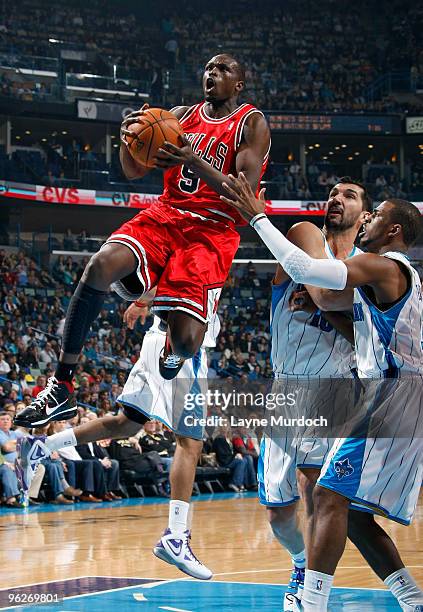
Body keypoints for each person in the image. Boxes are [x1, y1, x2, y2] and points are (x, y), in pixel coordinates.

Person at [14, 52, 271, 429]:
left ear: (239, 84)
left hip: (211, 231)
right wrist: (129, 140)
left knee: (186, 343)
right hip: (167, 213)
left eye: (223, 69)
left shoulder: (250, 122)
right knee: (101, 264)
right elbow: (133, 172)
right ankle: (62, 386)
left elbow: (244, 194)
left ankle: (170, 342)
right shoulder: (179, 116)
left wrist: (193, 159)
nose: (212, 73)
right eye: (208, 68)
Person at [221, 178, 423, 611]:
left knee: (325, 494)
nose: (339, 200)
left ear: (383, 224)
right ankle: (408, 597)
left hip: (351, 393)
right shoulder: (311, 238)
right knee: (310, 511)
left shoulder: (373, 265)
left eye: (353, 197)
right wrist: (325, 308)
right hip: (294, 388)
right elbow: (338, 306)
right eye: (333, 193)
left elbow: (318, 284)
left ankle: (312, 598)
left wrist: (256, 215)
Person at [17, 301, 220, 580]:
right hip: (181, 348)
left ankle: (43, 446)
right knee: (190, 443)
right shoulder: (209, 256)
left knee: (126, 424)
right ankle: (176, 536)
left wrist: (142, 300)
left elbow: (168, 273)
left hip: (156, 340)